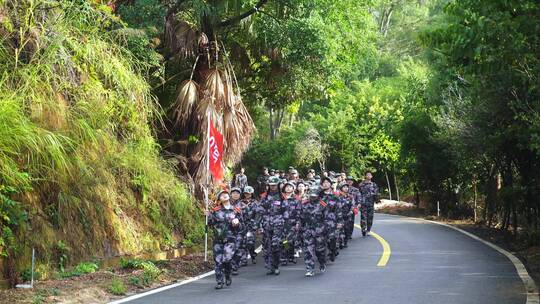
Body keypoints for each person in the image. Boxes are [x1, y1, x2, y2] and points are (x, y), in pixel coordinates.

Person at [208, 190, 242, 289]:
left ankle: (227, 275)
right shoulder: (216, 210)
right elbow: (210, 224)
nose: (224, 196)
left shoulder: (236, 210)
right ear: (219, 199)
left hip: (230, 239)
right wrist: (208, 216)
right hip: (218, 239)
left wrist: (237, 223)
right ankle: (219, 281)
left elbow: (242, 227)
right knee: (218, 261)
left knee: (227, 260)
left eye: (226, 194)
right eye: (222, 195)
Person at [260, 176, 288, 275]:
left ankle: (276, 266)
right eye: (271, 185)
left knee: (275, 245)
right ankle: (270, 266)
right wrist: (259, 224)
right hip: (267, 223)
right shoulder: (264, 196)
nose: (272, 187)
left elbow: (285, 211)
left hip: (278, 223)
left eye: (274, 185)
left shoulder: (282, 196)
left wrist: (286, 224)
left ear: (278, 185)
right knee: (267, 246)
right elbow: (260, 210)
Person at [300, 185, 328, 277]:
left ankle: (322, 263)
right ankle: (310, 269)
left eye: (314, 196)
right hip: (307, 230)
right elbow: (300, 218)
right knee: (308, 250)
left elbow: (327, 218)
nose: (312, 197)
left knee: (320, 250)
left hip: (320, 231)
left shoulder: (323, 204)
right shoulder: (304, 204)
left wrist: (328, 230)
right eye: (311, 195)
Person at [319, 176, 342, 262]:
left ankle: (333, 251)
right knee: (321, 239)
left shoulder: (335, 197)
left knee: (332, 239)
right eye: (324, 183)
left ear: (330, 184)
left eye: (327, 182)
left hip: (332, 221)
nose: (325, 184)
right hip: (320, 221)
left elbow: (339, 210)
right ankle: (323, 256)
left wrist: (340, 221)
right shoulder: (319, 196)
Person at [281, 181, 301, 265]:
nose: (288, 188)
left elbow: (299, 212)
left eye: (290, 187)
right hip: (282, 222)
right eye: (287, 187)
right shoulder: (280, 199)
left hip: (292, 223)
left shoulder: (296, 200)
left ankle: (291, 255)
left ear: (293, 189)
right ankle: (284, 257)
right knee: (284, 240)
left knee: (291, 241)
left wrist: (298, 222)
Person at [230, 188, 246, 274]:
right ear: (231, 194)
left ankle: (235, 265)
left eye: (237, 193)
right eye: (234, 193)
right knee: (229, 248)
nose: (235, 194)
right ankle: (230, 265)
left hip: (240, 230)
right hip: (229, 230)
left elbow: (248, 217)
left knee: (238, 248)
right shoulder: (226, 204)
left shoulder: (243, 205)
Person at [242, 186, 261, 264]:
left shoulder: (255, 203)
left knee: (250, 242)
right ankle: (244, 259)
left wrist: (257, 225)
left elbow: (258, 214)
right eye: (246, 193)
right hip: (242, 224)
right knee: (243, 242)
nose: (247, 195)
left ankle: (252, 255)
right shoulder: (240, 202)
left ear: (252, 194)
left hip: (251, 225)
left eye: (249, 194)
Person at [358, 171, 379, 236]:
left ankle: (368, 230)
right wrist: (359, 202)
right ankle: (363, 229)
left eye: (370, 175)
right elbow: (358, 194)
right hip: (363, 204)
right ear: (365, 176)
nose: (369, 176)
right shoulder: (361, 184)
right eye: (367, 175)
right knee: (363, 217)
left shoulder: (374, 185)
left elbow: (376, 194)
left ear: (371, 176)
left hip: (371, 204)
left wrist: (377, 199)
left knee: (370, 218)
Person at [337, 183, 354, 249]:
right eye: (344, 187)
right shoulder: (338, 197)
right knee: (340, 229)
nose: (346, 188)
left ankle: (345, 242)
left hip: (348, 215)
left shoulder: (350, 197)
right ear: (341, 188)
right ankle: (340, 243)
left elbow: (352, 205)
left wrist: (351, 211)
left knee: (347, 229)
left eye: (347, 187)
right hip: (340, 216)